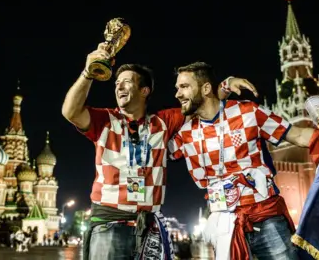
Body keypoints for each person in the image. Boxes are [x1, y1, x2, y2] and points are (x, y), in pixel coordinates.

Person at [61, 43, 257, 260]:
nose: (119, 87)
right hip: (109, 225)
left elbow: (201, 103)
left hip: (148, 228)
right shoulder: (105, 121)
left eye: (126, 82)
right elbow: (70, 111)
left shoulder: (162, 123)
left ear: (144, 90)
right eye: (117, 83)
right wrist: (88, 73)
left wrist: (227, 84)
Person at [168, 61, 319, 260]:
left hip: (266, 217)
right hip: (224, 226)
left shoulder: (248, 112)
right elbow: (152, 152)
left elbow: (297, 135)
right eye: (177, 88)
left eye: (184, 87)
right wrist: (225, 86)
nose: (177, 94)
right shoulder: (184, 135)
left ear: (205, 88)